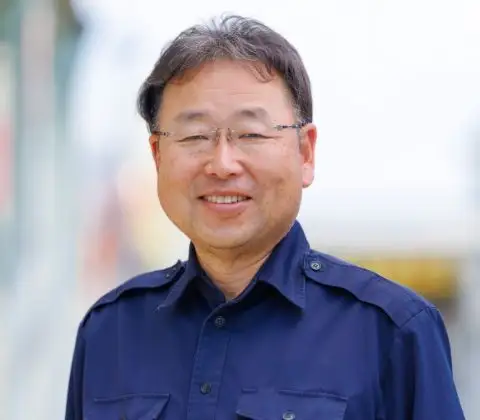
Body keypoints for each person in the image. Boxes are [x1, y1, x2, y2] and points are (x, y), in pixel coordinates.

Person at [65, 15, 465, 420]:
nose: (222, 164)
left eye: (251, 134)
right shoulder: (110, 332)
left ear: (305, 152)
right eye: (195, 136)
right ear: (157, 157)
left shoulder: (392, 331)